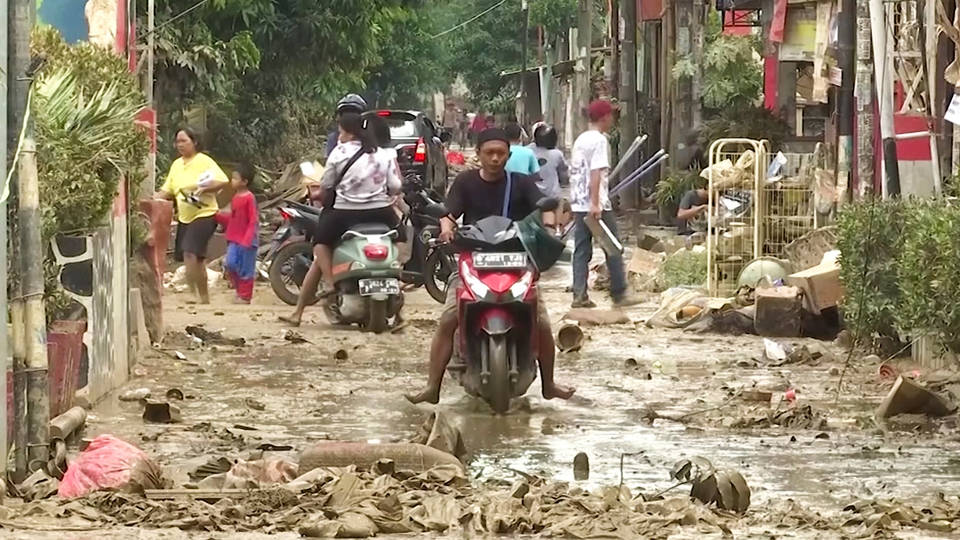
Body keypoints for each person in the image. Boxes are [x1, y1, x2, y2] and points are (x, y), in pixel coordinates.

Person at [405, 128, 576, 405]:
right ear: (479, 155)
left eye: (500, 154)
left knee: (542, 322)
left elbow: (544, 205)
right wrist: (447, 229)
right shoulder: (465, 182)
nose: (495, 159)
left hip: (517, 260)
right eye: (490, 153)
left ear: (508, 156)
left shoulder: (521, 183)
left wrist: (548, 224)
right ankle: (432, 386)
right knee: (449, 319)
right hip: (474, 259)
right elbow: (449, 214)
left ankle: (549, 384)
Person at [281, 112, 402, 326]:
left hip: (346, 213)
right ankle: (396, 289)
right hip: (381, 212)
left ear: (347, 131)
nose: (339, 134)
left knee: (320, 245)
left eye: (340, 130)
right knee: (399, 237)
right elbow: (395, 186)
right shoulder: (383, 154)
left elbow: (327, 184)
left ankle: (329, 283)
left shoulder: (339, 152)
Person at [569, 100, 639, 309]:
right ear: (605, 117)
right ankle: (619, 295)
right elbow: (595, 172)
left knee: (581, 250)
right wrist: (596, 203)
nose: (613, 120)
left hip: (579, 203)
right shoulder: (599, 140)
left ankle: (579, 295)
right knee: (613, 248)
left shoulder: (581, 139)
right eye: (611, 116)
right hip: (595, 204)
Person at [157, 127, 228, 304]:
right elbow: (167, 190)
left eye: (184, 141)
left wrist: (204, 188)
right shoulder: (176, 165)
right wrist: (151, 199)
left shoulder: (204, 161)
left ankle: (192, 294)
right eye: (177, 141)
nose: (179, 145)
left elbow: (223, 181)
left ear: (194, 142)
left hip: (205, 213)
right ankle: (203, 297)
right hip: (184, 217)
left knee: (190, 251)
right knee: (197, 258)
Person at [216, 163, 259, 304]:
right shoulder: (235, 198)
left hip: (247, 240)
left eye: (235, 178)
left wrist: (249, 237)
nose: (232, 181)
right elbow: (232, 218)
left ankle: (245, 295)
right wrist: (218, 216)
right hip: (234, 238)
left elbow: (253, 219)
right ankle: (239, 290)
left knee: (246, 268)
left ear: (245, 181)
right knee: (231, 263)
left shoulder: (249, 198)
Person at [530, 124, 568, 198]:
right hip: (552, 196)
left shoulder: (527, 151)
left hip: (532, 195)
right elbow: (564, 176)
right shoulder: (557, 154)